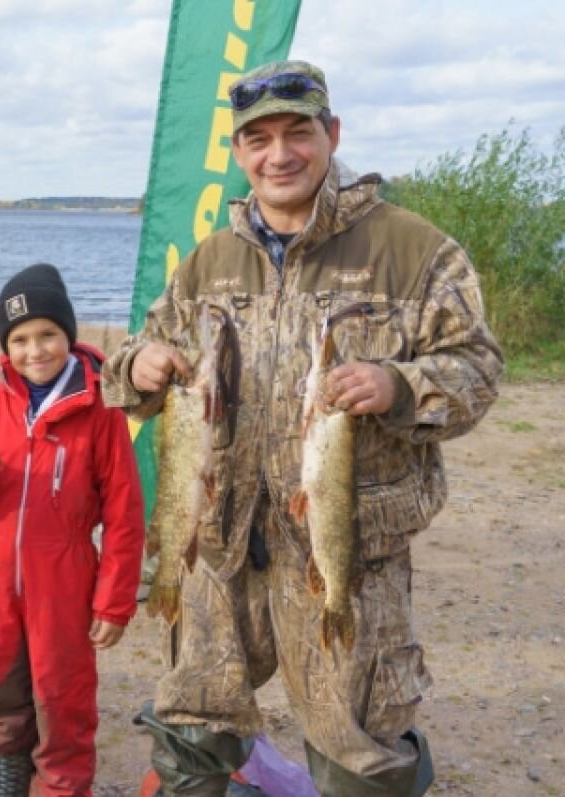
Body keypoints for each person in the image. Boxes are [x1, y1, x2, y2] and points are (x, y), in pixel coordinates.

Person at [102, 60, 503, 797]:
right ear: (238, 150)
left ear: (332, 134)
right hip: (219, 545)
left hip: (347, 544)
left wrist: (400, 383)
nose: (279, 154)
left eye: (298, 133)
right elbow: (124, 366)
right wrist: (141, 366)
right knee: (193, 727)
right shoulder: (207, 263)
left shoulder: (414, 251)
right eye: (259, 139)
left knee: (362, 749)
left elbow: (479, 369)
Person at [0, 264, 145, 796]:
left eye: (48, 334)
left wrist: (113, 602)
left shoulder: (101, 413)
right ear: (7, 347)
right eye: (21, 340)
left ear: (68, 336)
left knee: (62, 698)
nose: (36, 351)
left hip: (65, 584)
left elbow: (124, 517)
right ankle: (11, 779)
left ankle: (61, 788)